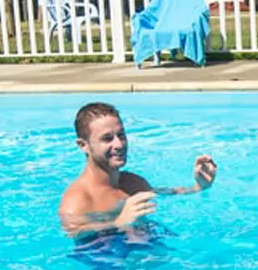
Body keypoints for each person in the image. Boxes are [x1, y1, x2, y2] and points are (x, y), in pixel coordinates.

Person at [57, 102, 217, 240]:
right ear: (83, 145)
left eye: (121, 135)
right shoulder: (78, 198)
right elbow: (73, 232)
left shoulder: (131, 182)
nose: (119, 144)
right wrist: (118, 223)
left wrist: (199, 187)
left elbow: (163, 192)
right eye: (107, 139)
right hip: (105, 258)